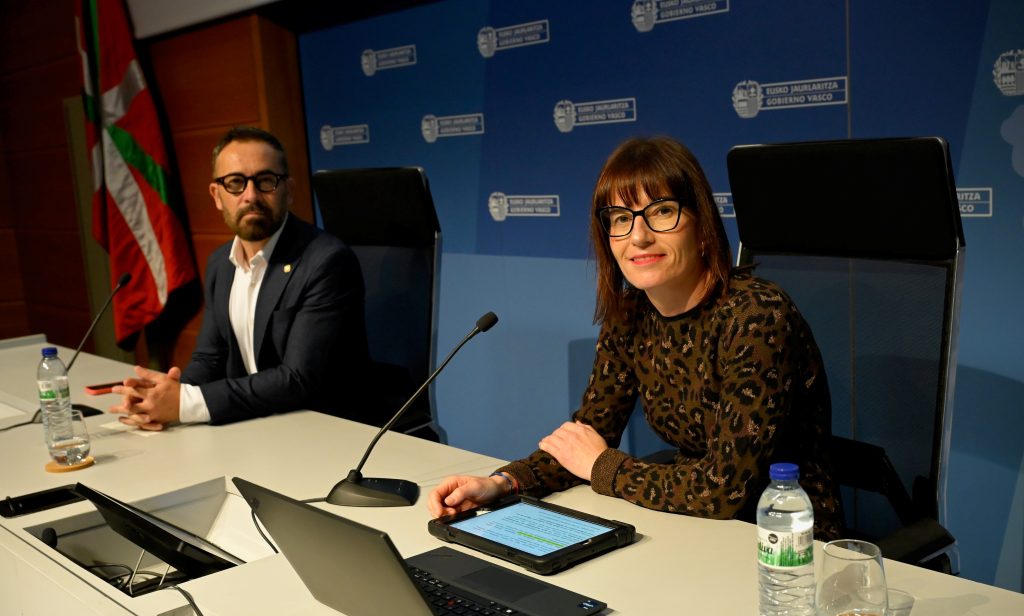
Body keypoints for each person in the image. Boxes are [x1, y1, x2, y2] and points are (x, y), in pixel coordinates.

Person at [428, 136, 842, 540]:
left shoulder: (756, 316)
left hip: (786, 540)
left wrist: (603, 466)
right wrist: (502, 483)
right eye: (621, 218)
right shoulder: (631, 315)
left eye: (662, 212)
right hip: (689, 527)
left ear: (702, 228)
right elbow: (586, 438)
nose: (639, 236)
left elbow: (723, 490)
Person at [110, 126, 372, 428]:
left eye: (266, 181)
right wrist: (163, 396)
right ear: (216, 195)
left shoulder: (326, 261)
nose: (251, 196)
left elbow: (298, 379)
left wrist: (185, 404)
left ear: (288, 190)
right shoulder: (221, 263)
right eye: (235, 182)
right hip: (256, 423)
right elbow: (209, 358)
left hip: (325, 428)